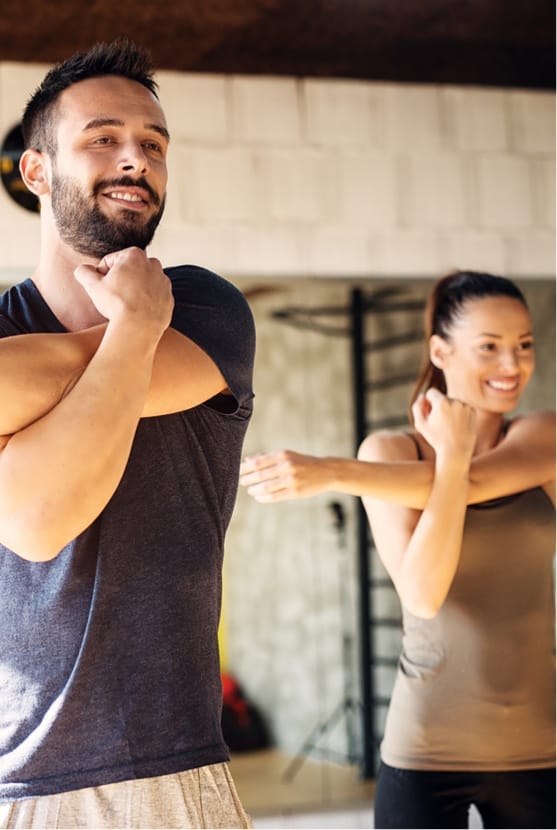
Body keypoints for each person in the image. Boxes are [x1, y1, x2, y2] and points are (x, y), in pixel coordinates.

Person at [0, 39, 255, 829]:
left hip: (175, 771)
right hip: (17, 779)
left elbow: (34, 516)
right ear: (35, 171)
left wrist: (143, 321)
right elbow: (36, 521)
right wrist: (136, 328)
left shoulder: (206, 308)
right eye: (102, 138)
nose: (134, 158)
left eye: (152, 144)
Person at [239, 270, 556, 829]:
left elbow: (477, 485)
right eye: (490, 347)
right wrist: (448, 458)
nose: (513, 366)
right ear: (440, 350)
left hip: (540, 750)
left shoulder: (543, 435)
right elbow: (424, 594)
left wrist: (333, 472)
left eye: (524, 345)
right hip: (427, 749)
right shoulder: (389, 449)